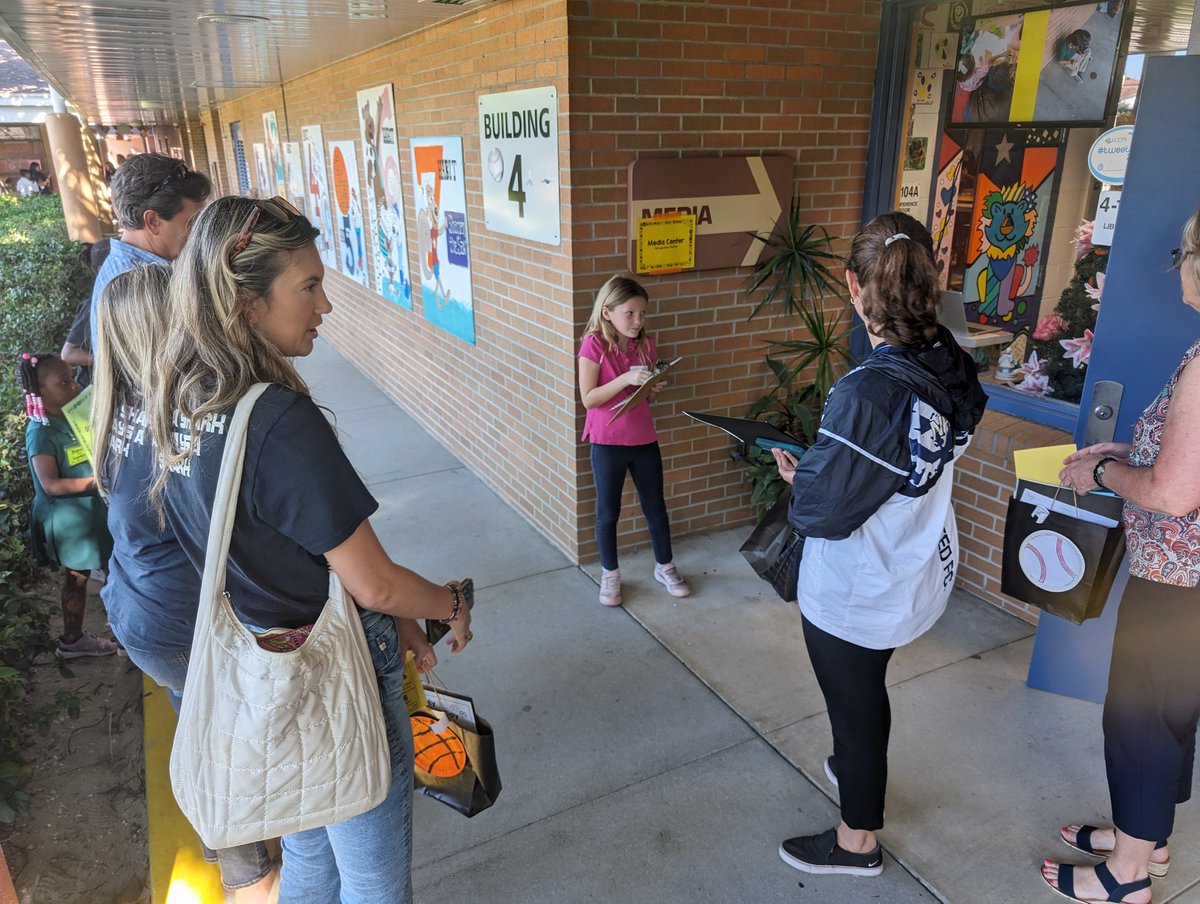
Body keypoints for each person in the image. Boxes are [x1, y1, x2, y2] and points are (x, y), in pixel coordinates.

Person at [126, 195, 473, 901]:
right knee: (374, 877)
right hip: (330, 670)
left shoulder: (183, 396)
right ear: (247, 301)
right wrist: (450, 602)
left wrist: (397, 610)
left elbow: (290, 548)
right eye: (307, 287)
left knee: (309, 849)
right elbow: (373, 583)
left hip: (263, 663)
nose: (325, 306)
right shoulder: (277, 419)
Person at [769, 211, 987, 877]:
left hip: (859, 587)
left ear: (853, 286)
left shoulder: (868, 389)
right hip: (916, 565)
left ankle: (856, 842)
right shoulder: (950, 359)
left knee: (858, 706)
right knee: (865, 691)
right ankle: (852, 761)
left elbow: (818, 510)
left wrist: (806, 471)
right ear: (932, 277)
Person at [92, 264, 278, 902]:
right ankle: (251, 873)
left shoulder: (113, 413)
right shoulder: (186, 421)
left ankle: (225, 837)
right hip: (188, 623)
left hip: (142, 615)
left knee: (202, 728)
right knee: (236, 754)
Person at [1044, 209, 1200, 904]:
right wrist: (1128, 453)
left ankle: (1128, 875)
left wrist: (1100, 475)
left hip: (1177, 581)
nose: (1179, 267)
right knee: (1169, 712)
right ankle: (1147, 837)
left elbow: (1171, 496)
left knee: (1140, 718)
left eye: (1185, 251)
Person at [577, 274, 691, 607]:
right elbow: (589, 398)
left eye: (642, 314)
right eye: (630, 313)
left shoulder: (646, 344)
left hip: (642, 437)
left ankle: (665, 566)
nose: (638, 321)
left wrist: (650, 390)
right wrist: (627, 377)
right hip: (607, 440)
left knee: (656, 506)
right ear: (607, 312)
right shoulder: (593, 345)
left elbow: (641, 397)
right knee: (608, 512)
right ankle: (610, 574)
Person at [18, 353, 118, 658]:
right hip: (68, 520)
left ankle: (81, 638)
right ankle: (82, 639)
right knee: (86, 575)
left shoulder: (72, 416)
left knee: (101, 572)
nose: (74, 386)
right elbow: (50, 484)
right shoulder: (41, 431)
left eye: (73, 377)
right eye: (64, 381)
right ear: (40, 390)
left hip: (89, 513)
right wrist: (99, 481)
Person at [89, 153, 211, 354]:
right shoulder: (140, 286)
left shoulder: (128, 265)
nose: (200, 233)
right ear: (153, 221)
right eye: (193, 223)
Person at [61, 239, 112, 388]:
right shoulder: (94, 305)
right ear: (103, 269)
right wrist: (115, 359)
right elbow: (68, 354)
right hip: (96, 389)